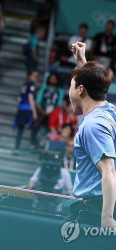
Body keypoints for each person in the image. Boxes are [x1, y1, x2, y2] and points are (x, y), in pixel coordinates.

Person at [69, 41, 116, 228]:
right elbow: (93, 85)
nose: (69, 93)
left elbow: (109, 170)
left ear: (81, 90)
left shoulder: (93, 126)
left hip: (97, 211)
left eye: (71, 87)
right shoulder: (110, 110)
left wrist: (106, 218)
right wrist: (82, 61)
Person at [13, 70, 38, 150]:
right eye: (34, 76)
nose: (36, 78)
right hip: (27, 109)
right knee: (35, 125)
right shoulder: (31, 85)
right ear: (30, 76)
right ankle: (32, 145)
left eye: (37, 76)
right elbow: (30, 98)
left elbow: (20, 97)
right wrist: (34, 112)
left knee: (20, 130)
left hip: (21, 109)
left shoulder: (24, 84)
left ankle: (17, 147)